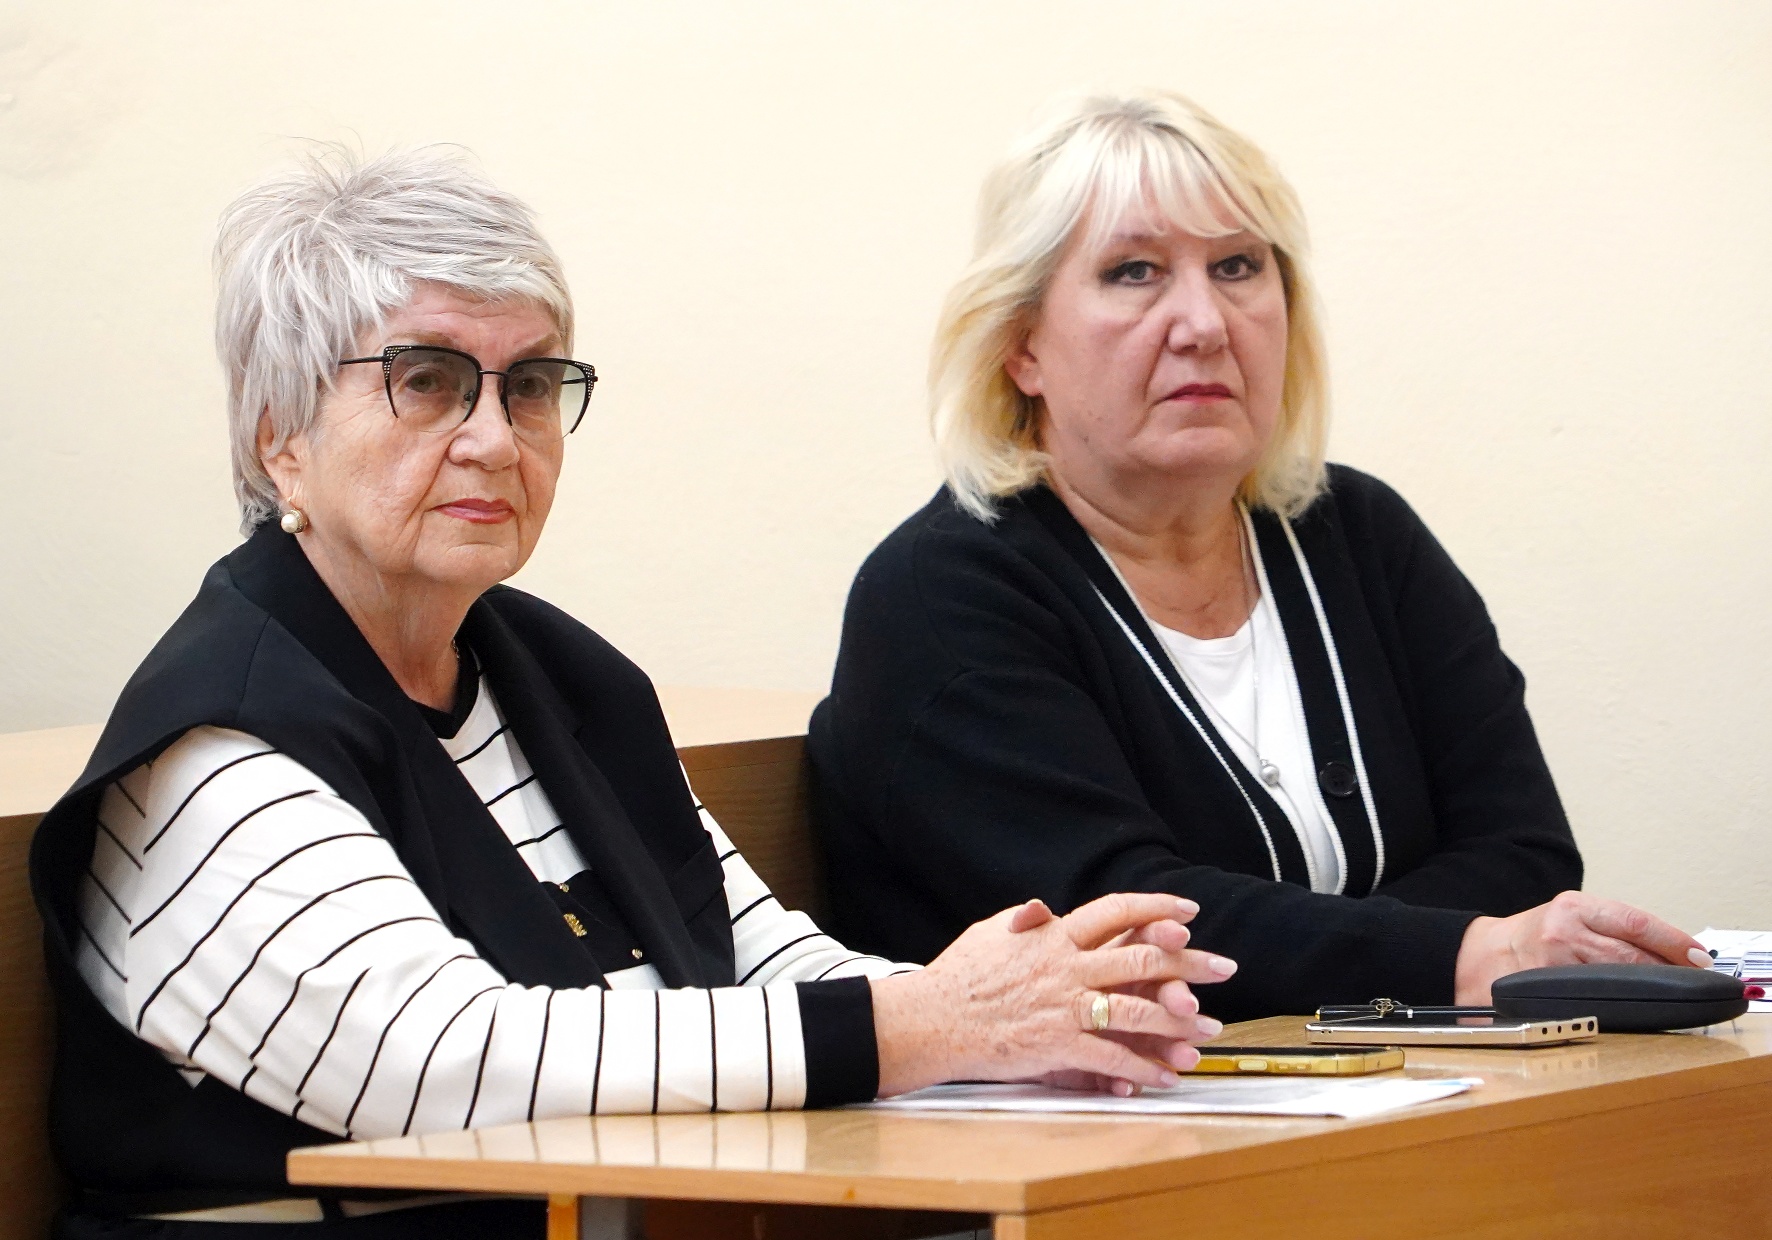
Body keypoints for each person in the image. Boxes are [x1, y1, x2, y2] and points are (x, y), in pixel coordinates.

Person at [30, 148, 1231, 1239]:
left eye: (529, 384)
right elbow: (445, 1060)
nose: (494, 438)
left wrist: (1028, 1020)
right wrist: (927, 1024)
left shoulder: (562, 679)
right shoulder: (215, 749)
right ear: (278, 437)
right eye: (428, 381)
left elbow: (754, 957)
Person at [808, 91, 1710, 1025]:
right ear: (1020, 345)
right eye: (1133, 272)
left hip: (1405, 1084)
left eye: (1238, 266)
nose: (1203, 323)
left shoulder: (1358, 535)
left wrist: (1364, 964)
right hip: (1086, 1108)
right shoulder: (941, 596)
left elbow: (1526, 853)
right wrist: (1458, 952)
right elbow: (1123, 932)